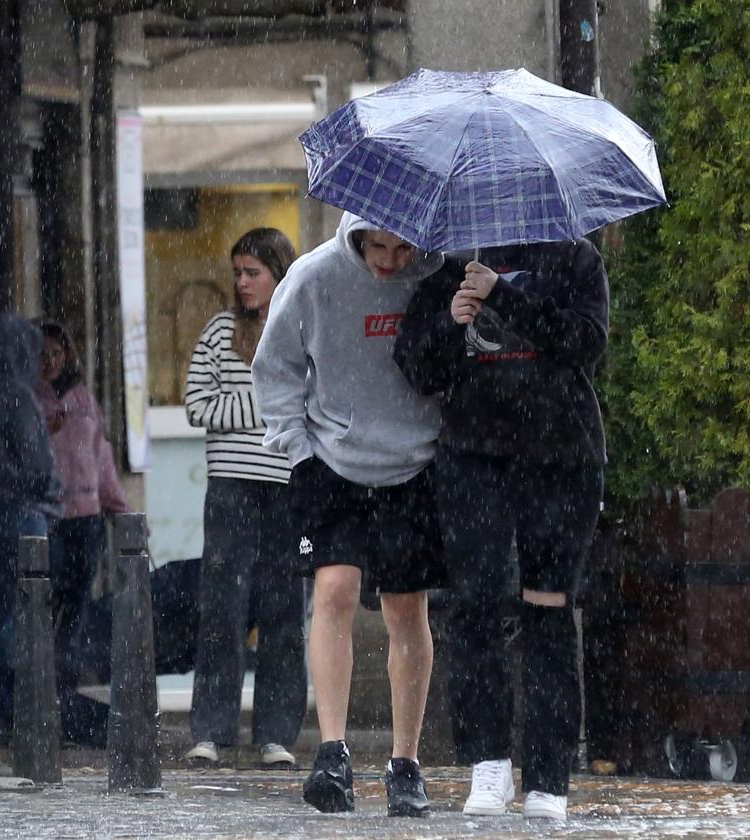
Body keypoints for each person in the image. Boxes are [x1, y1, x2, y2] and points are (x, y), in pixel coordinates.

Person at [394, 240, 609, 822]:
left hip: (560, 456)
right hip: (473, 457)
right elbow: (416, 366)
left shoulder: (574, 258)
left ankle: (548, 775)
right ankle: (487, 762)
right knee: (476, 604)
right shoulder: (449, 266)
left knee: (549, 609)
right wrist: (451, 321)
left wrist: (502, 295)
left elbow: (586, 345)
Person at [252, 213, 449, 817]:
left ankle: (405, 763)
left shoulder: (439, 278)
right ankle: (332, 750)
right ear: (358, 234)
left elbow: (457, 364)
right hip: (332, 461)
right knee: (333, 590)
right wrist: (296, 450)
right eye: (378, 246)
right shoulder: (313, 277)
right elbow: (276, 367)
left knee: (406, 608)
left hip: (413, 463)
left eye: (402, 248)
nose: (390, 260)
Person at [183, 228, 308, 770]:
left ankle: (276, 735)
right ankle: (211, 731)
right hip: (230, 488)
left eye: (252, 272)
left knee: (285, 614)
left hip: (286, 487)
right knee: (221, 611)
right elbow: (195, 404)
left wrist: (252, 403)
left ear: (279, 272)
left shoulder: (301, 328)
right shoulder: (218, 330)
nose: (242, 282)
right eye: (237, 272)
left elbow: (312, 401)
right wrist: (264, 401)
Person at [35, 319, 130, 745]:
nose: (50, 361)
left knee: (73, 614)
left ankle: (65, 696)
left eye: (56, 352)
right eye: (41, 353)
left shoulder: (84, 399)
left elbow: (101, 454)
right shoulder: (25, 398)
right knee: (42, 611)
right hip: (48, 520)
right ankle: (44, 698)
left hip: (87, 520)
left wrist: (119, 509)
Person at [0, 313, 62, 741]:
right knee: (24, 616)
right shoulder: (18, 397)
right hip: (22, 515)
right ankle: (22, 713)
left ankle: (0, 710)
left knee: (1, 612)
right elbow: (37, 468)